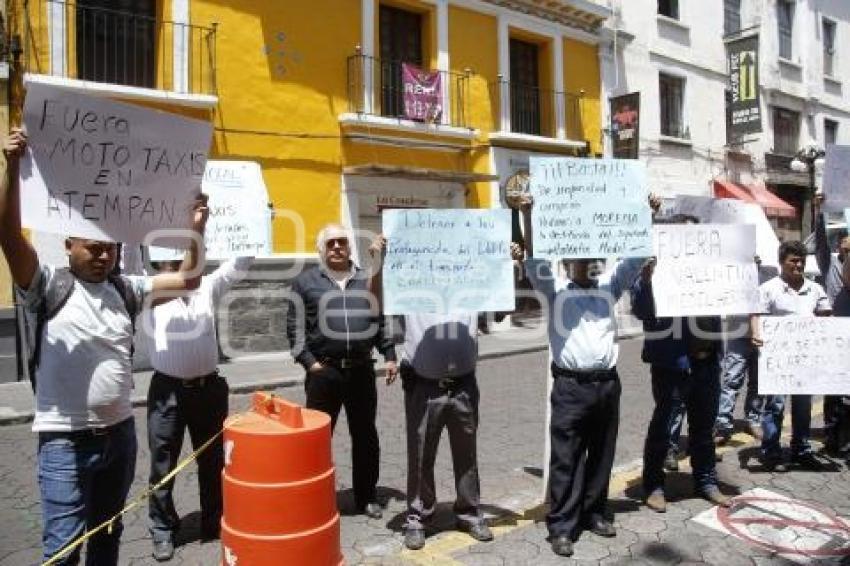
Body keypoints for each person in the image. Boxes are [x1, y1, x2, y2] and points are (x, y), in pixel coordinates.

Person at [0, 128, 209, 565]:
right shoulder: (46, 285)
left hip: (120, 436)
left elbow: (189, 279)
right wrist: (12, 166)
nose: (102, 255)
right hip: (63, 442)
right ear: (68, 245)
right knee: (63, 550)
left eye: (109, 249)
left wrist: (195, 230)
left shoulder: (127, 289)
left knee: (107, 540)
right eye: (92, 248)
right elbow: (9, 237)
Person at [514, 194, 659, 557]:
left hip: (607, 386)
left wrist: (648, 214)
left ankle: (594, 512)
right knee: (566, 458)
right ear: (569, 261)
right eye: (581, 257)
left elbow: (635, 258)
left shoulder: (609, 288)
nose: (589, 262)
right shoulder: (556, 291)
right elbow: (534, 261)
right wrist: (528, 214)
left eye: (593, 257)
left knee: (602, 454)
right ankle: (562, 525)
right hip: (570, 387)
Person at [368, 235, 493, 550]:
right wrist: (379, 264)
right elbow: (376, 304)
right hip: (424, 386)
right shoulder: (412, 289)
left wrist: (510, 263)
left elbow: (504, 303)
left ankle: (469, 512)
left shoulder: (472, 288)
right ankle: (419, 517)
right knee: (421, 455)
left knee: (467, 454)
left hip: (464, 385)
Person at [142, 255, 253, 561]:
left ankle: (213, 520)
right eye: (172, 261)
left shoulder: (207, 286)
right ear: (159, 264)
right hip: (168, 392)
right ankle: (162, 529)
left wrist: (256, 226)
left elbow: (238, 266)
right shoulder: (148, 291)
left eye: (185, 257)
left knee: (214, 460)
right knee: (162, 463)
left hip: (209, 390)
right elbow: (124, 261)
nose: (180, 265)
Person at [285, 224, 398, 519]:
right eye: (331, 243)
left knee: (365, 436)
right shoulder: (305, 282)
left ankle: (367, 496)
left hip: (361, 371)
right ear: (321, 249)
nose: (337, 247)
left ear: (350, 247)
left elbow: (379, 317)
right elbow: (294, 327)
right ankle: (314, 498)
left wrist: (389, 353)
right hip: (325, 374)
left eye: (342, 242)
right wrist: (309, 362)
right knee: (318, 439)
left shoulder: (365, 278)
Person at [631, 216, 730, 514]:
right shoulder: (655, 270)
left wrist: (743, 273)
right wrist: (647, 281)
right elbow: (641, 310)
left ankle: (706, 480)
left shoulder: (711, 270)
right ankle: (654, 485)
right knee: (663, 427)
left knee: (703, 427)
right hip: (673, 365)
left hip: (707, 363)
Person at [751, 240, 832, 471]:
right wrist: (756, 334)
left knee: (803, 406)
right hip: (777, 359)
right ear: (781, 262)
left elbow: (826, 314)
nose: (798, 265)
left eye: (802, 261)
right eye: (793, 260)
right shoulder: (768, 288)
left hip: (805, 360)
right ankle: (771, 451)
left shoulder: (815, 288)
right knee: (775, 405)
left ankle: (801, 451)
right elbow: (756, 314)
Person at [713, 259, 776, 445]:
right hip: (738, 333)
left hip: (763, 336)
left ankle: (753, 420)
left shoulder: (770, 272)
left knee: (757, 382)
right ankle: (723, 424)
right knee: (732, 380)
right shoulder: (731, 273)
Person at [813, 195, 850, 455]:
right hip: (833, 336)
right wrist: (819, 211)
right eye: (845, 249)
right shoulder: (829, 263)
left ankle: (845, 437)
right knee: (832, 390)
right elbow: (819, 242)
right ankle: (830, 435)